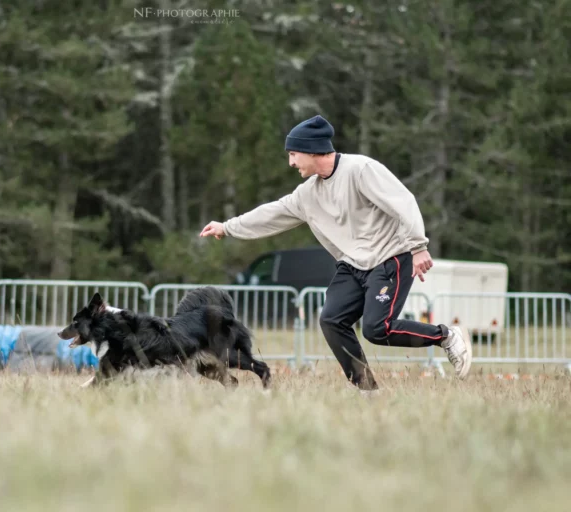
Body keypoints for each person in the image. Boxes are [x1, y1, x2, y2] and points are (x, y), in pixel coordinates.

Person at [199, 115, 472, 390]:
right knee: (331, 319)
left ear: (311, 149)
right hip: (352, 264)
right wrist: (228, 227)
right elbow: (273, 213)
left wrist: (418, 246)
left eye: (293, 154)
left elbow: (403, 202)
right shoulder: (307, 194)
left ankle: (446, 336)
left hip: (389, 257)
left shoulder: (360, 170)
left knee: (377, 329)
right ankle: (367, 389)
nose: (290, 162)